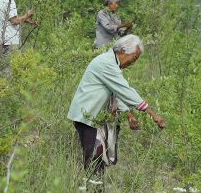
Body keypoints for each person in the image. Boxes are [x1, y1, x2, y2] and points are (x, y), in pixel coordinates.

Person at [68, 34, 165, 183]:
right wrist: (152, 114)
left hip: (92, 116)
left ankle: (95, 192)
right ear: (122, 51)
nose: (132, 63)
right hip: (86, 116)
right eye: (133, 58)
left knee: (99, 156)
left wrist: (128, 114)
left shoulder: (112, 63)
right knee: (94, 155)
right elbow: (124, 90)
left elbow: (116, 92)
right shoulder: (106, 63)